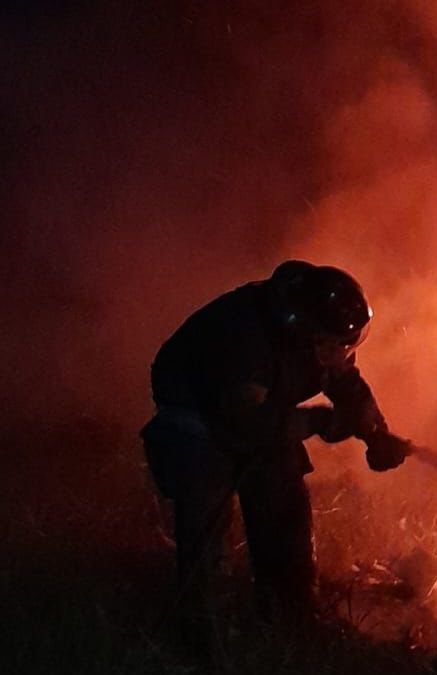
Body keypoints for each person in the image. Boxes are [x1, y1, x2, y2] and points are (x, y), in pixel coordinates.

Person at [142, 260, 415, 639]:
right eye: (330, 344)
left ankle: (291, 613)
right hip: (197, 418)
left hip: (255, 413)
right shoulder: (243, 338)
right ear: (300, 331)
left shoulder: (317, 331)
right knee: (207, 499)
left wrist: (376, 433)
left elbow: (347, 385)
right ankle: (201, 626)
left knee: (284, 498)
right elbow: (249, 423)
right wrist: (322, 423)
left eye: (344, 344)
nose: (339, 353)